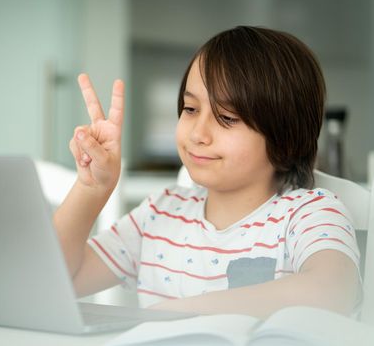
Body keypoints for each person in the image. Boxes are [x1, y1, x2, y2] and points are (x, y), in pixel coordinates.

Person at [53, 26, 362, 318]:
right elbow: (56, 281)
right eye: (190, 109)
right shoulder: (161, 213)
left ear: (285, 136)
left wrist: (180, 314)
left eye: (226, 117)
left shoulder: (309, 213)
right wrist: (92, 189)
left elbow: (333, 291)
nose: (198, 133)